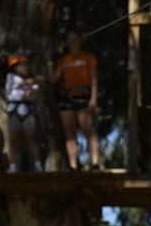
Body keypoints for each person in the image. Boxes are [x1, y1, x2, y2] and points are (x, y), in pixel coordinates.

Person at [50, 30, 100, 171]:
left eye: (75, 39)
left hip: (84, 96)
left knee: (88, 129)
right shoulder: (63, 60)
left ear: (80, 40)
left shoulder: (89, 58)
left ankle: (95, 163)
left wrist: (93, 99)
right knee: (69, 133)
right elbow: (54, 79)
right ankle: (73, 165)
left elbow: (94, 79)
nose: (72, 42)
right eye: (69, 40)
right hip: (67, 97)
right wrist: (48, 65)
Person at [5, 54, 42, 173]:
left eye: (26, 65)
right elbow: (10, 94)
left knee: (31, 137)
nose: (25, 68)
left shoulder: (30, 80)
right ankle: (12, 166)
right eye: (22, 65)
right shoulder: (10, 77)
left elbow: (36, 91)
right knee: (13, 139)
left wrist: (30, 89)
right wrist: (25, 92)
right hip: (14, 110)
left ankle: (37, 164)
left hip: (27, 110)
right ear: (15, 68)